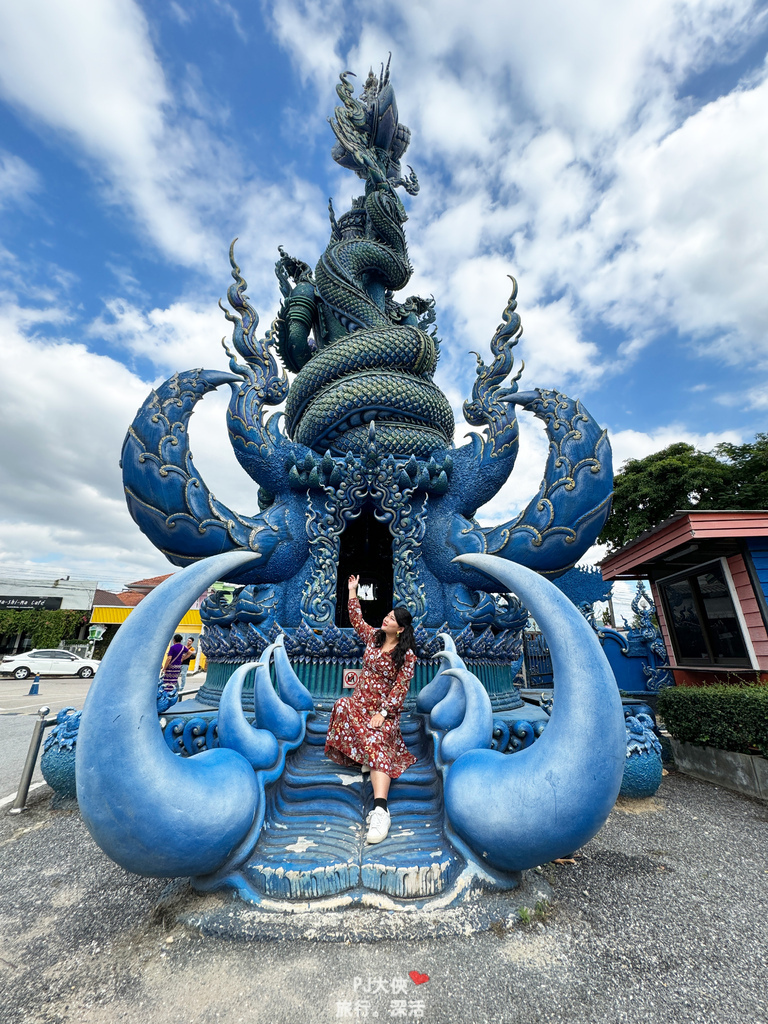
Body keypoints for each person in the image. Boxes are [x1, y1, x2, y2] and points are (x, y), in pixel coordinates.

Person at [325, 574, 417, 845]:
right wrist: (352, 591)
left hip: (382, 710)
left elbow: (401, 688)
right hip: (359, 704)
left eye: (391, 618)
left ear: (400, 629)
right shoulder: (375, 638)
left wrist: (385, 714)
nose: (386, 619)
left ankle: (381, 809)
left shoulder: (407, 655)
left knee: (377, 739)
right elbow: (357, 622)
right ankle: (365, 756)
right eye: (387, 615)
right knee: (341, 705)